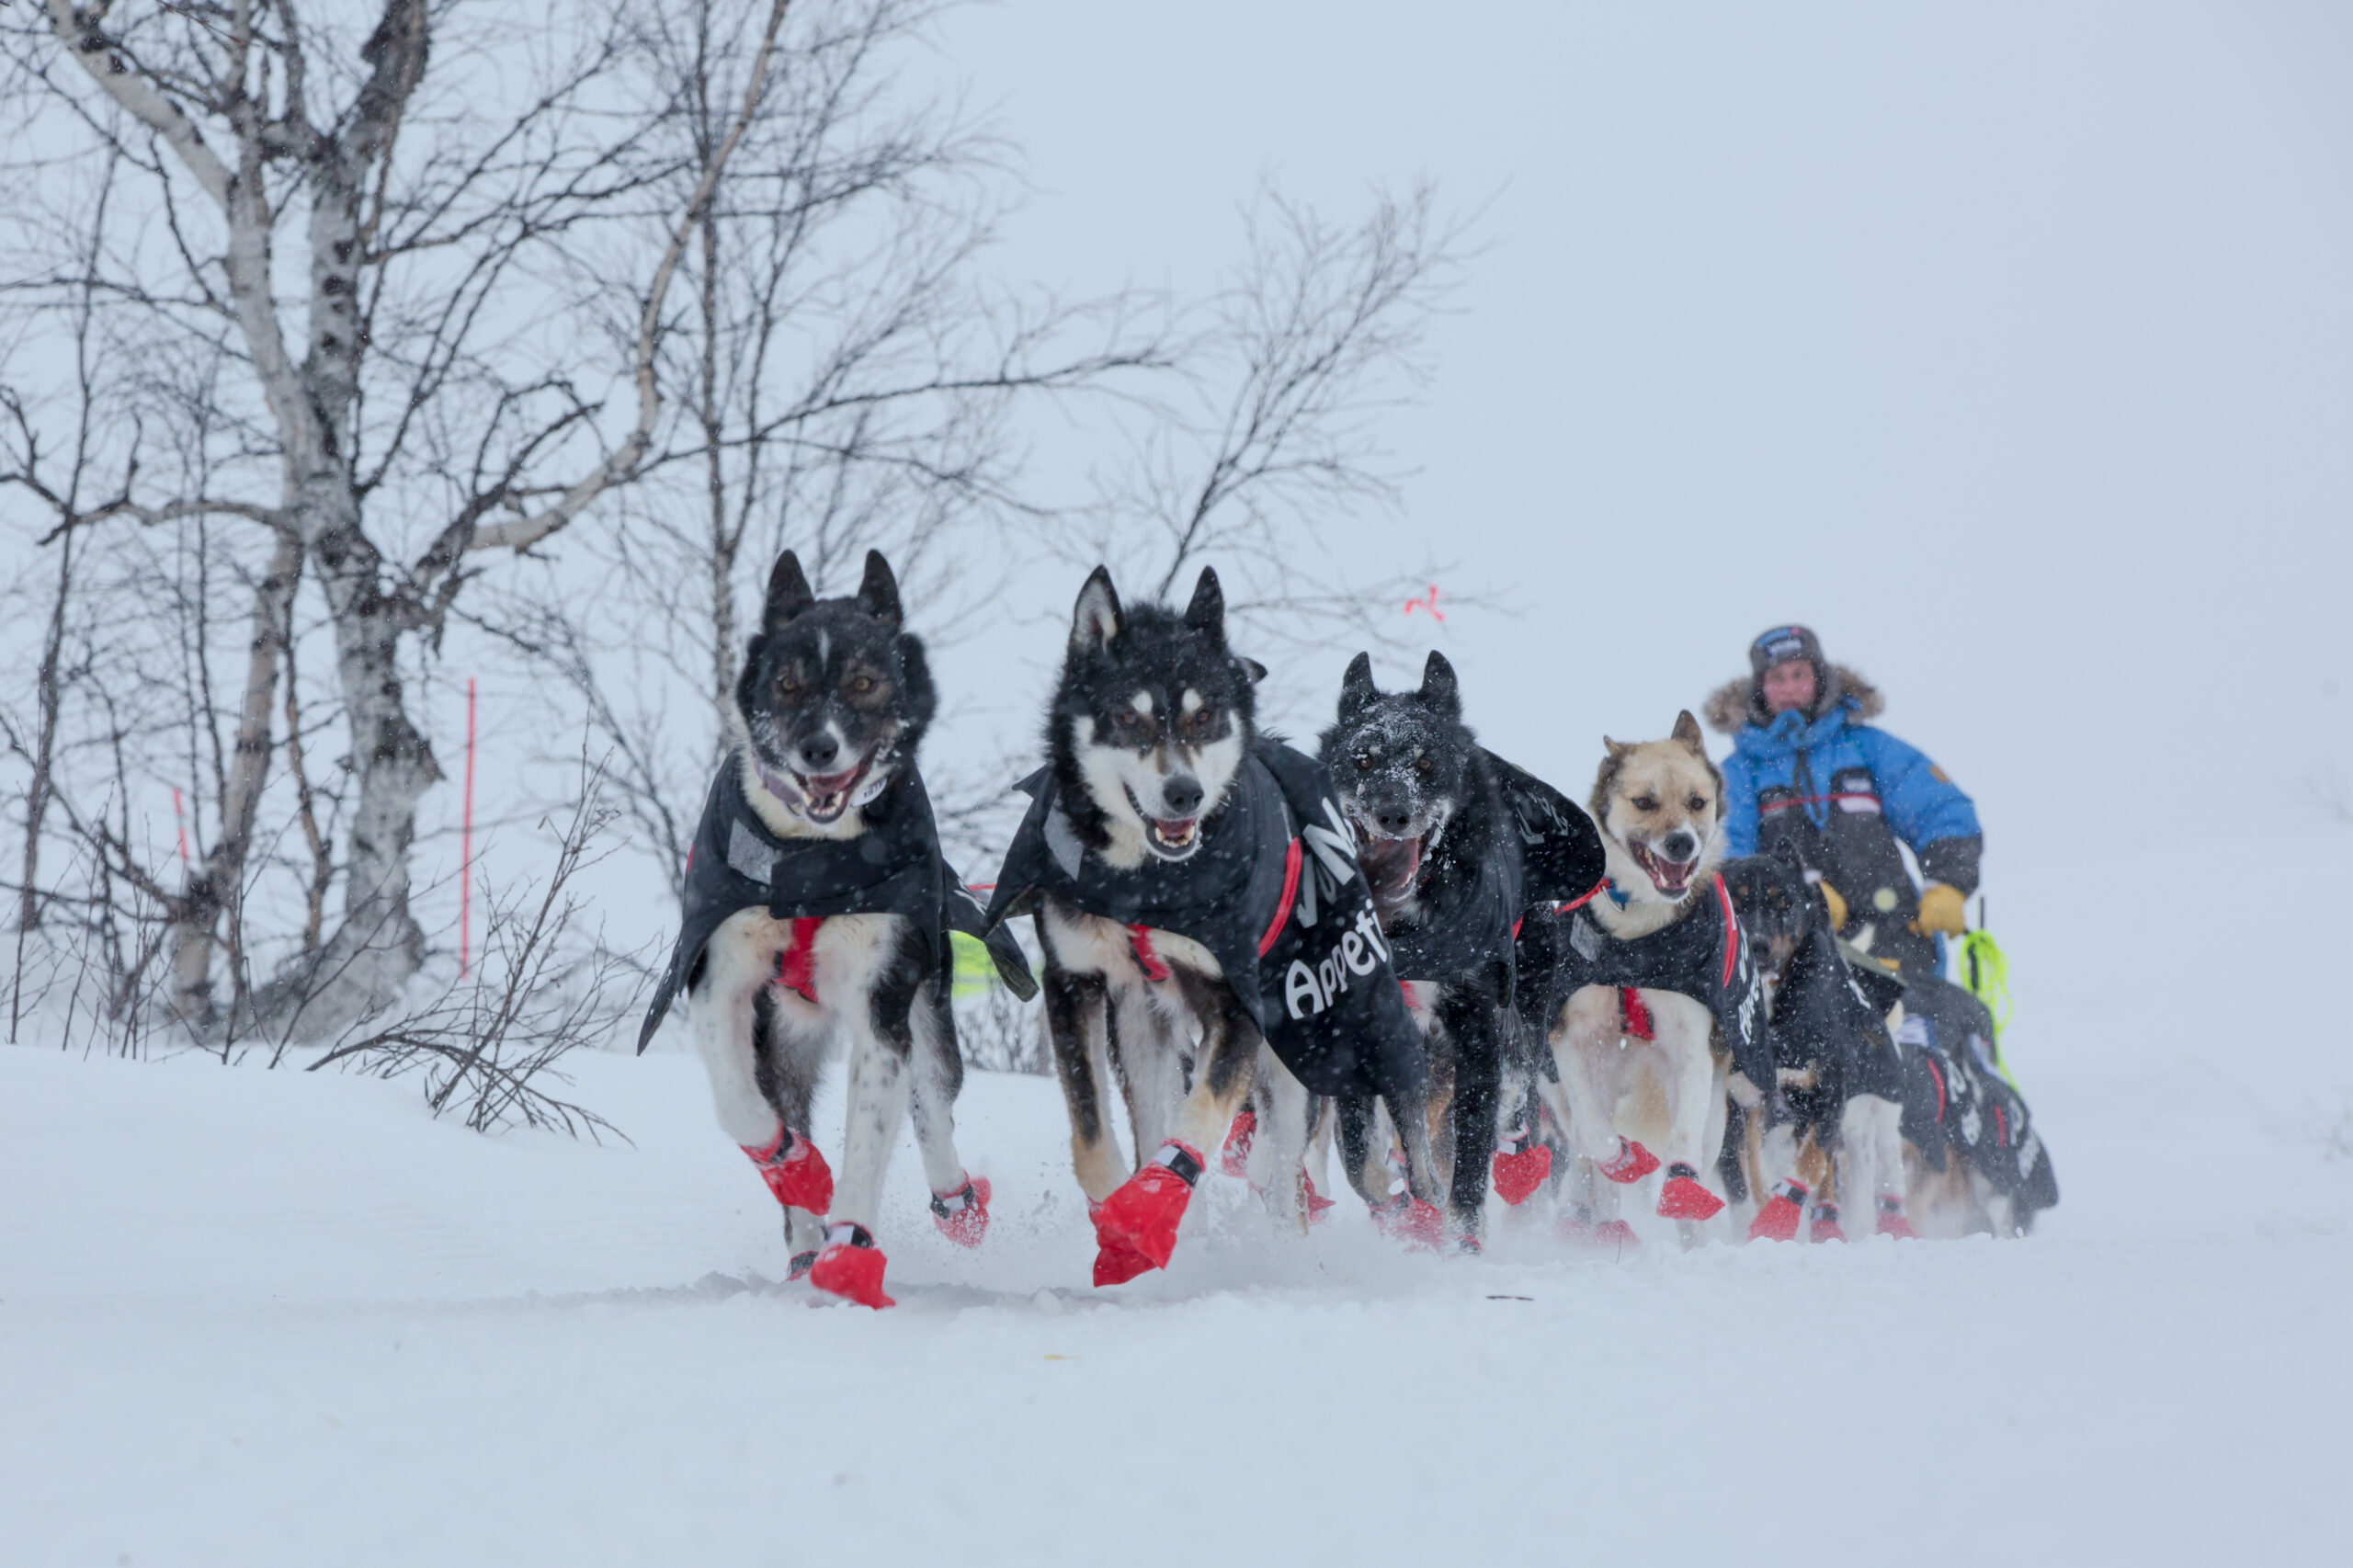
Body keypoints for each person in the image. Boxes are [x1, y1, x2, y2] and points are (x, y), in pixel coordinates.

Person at [1704, 625, 1980, 979]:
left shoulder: (1868, 748)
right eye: (1776, 677)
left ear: (1821, 679)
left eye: (1799, 674)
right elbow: (1725, 854)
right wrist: (1802, 898)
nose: (1789, 688)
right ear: (1759, 688)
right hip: (1792, 960)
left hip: (1899, 943)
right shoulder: (1739, 773)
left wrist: (1947, 883)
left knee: (1927, 1030)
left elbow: (1942, 811)